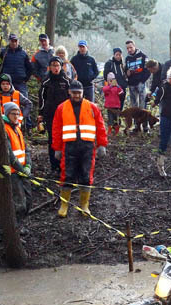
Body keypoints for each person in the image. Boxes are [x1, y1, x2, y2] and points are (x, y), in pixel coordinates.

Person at [52, 80, 107, 216]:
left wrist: (102, 144)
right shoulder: (61, 108)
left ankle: (84, 205)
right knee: (67, 175)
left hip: (87, 146)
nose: (76, 95)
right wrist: (57, 148)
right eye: (74, 92)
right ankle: (64, 205)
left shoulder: (92, 107)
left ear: (83, 92)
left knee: (86, 175)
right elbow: (56, 129)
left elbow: (100, 126)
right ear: (69, 92)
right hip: (69, 146)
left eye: (79, 93)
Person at [0, 102, 32, 217]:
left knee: (29, 201)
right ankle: (16, 228)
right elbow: (9, 155)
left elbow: (26, 150)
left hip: (22, 170)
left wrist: (28, 166)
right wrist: (22, 170)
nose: (16, 116)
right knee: (19, 204)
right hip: (10, 172)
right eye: (13, 113)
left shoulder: (17, 129)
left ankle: (21, 225)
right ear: (7, 114)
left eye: (18, 113)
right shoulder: (3, 130)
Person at [39, 57, 72, 174]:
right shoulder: (46, 81)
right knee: (52, 139)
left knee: (66, 139)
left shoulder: (67, 81)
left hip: (65, 115)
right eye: (53, 65)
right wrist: (40, 114)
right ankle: (54, 165)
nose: (55, 68)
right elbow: (42, 99)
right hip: (50, 115)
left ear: (61, 66)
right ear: (50, 67)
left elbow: (72, 98)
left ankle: (65, 164)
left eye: (57, 65)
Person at [0, 34, 33, 102]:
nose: (14, 43)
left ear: (18, 41)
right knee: (6, 102)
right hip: (6, 83)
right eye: (12, 41)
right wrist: (0, 78)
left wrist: (25, 79)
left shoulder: (23, 53)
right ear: (9, 41)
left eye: (15, 41)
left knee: (24, 102)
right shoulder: (3, 52)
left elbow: (30, 68)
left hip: (20, 83)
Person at [124, 40, 149, 108]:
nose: (129, 50)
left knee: (142, 106)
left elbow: (148, 70)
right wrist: (127, 73)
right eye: (127, 48)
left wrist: (142, 80)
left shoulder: (143, 56)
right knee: (134, 107)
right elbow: (125, 70)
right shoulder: (127, 58)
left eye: (131, 47)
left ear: (134, 46)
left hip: (141, 84)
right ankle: (135, 119)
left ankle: (143, 119)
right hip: (131, 84)